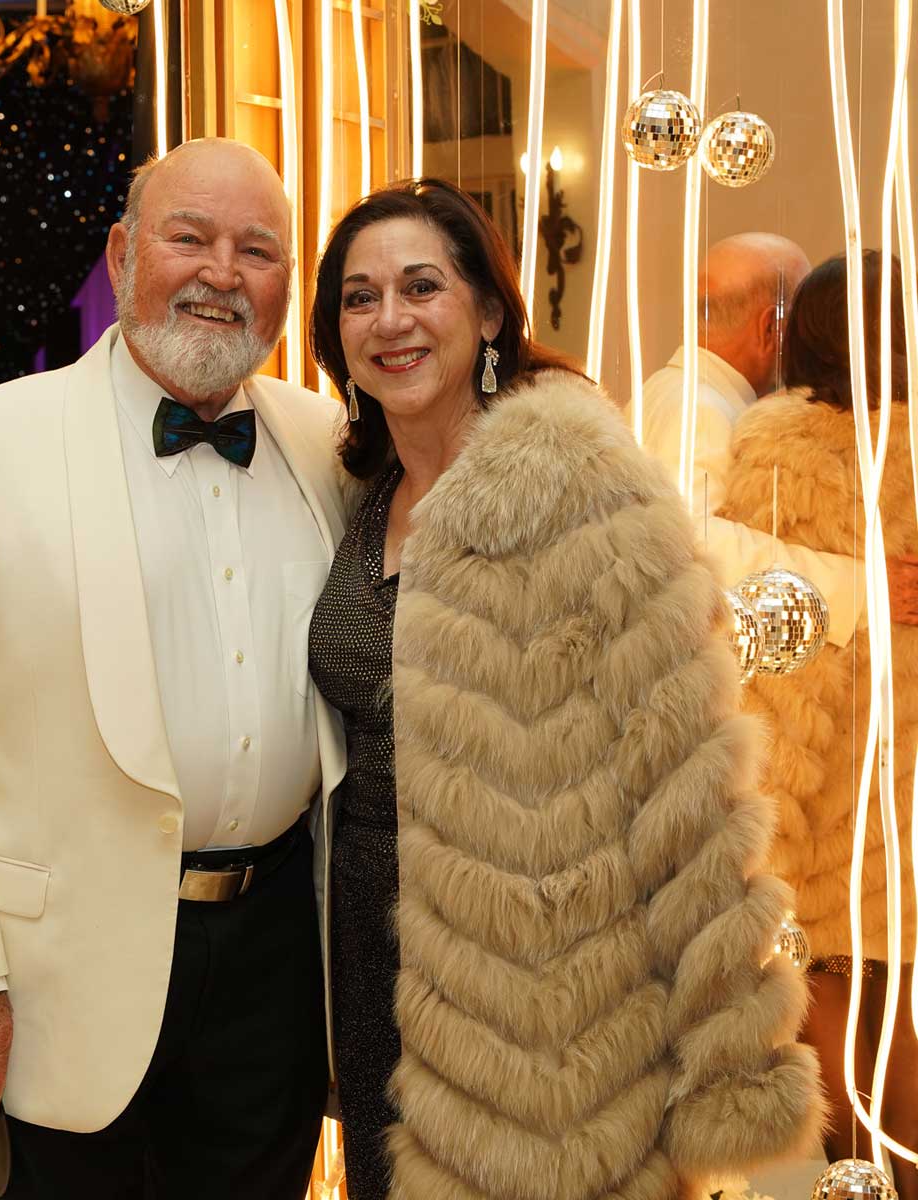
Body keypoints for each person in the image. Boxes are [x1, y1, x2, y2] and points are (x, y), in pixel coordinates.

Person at [306, 179, 822, 1200]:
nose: (391, 320)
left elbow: (687, 775)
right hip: (373, 961)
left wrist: (728, 1050)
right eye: (358, 298)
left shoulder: (578, 485)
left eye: (422, 286)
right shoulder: (360, 493)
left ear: (490, 311)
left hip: (545, 1004)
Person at [0, 138, 347, 1199]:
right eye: (191, 238)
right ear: (124, 254)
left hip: (276, 957)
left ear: (285, 286)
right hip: (57, 971)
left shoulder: (328, 443)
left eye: (257, 249)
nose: (223, 272)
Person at [718, 250, 918, 1198]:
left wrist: (756, 867)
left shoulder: (792, 461)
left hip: (835, 867)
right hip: (894, 844)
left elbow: (783, 692)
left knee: (861, 1138)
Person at [639, 233, 918, 648]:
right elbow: (693, 543)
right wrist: (865, 587)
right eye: (804, 319)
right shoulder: (695, 405)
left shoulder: (694, 395)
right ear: (772, 326)